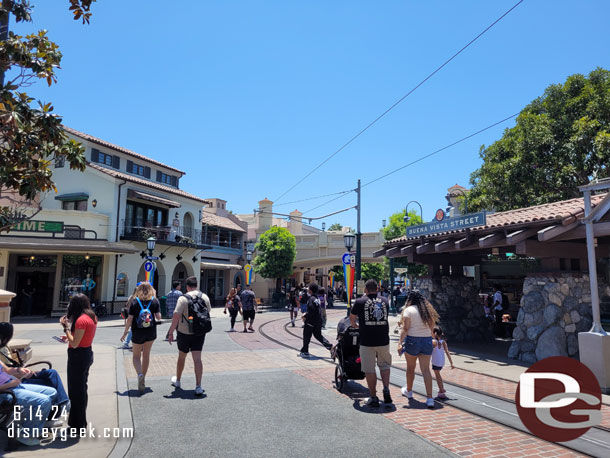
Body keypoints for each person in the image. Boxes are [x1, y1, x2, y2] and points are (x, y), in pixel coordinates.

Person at [0, 322, 69, 409]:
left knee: (51, 374)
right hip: (14, 383)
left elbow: (7, 370)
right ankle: (60, 406)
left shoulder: (4, 348)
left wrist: (20, 370)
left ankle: (62, 403)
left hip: (16, 379)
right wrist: (15, 380)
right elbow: (9, 373)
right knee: (50, 383)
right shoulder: (3, 349)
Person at [350, 279, 392, 407]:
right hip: (383, 339)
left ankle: (373, 397)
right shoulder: (385, 301)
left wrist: (356, 326)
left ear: (366, 290)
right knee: (384, 365)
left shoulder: (360, 301)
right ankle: (386, 389)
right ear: (377, 289)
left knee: (369, 369)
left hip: (367, 340)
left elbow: (352, 318)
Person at [167, 276, 211, 396]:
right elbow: (208, 312)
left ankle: (178, 381)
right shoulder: (205, 297)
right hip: (199, 333)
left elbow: (176, 315)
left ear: (187, 286)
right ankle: (198, 386)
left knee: (182, 357)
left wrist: (171, 332)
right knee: (197, 359)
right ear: (196, 285)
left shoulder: (183, 298)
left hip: (184, 332)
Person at [60, 293, 97, 430]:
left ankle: (77, 424)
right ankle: (80, 422)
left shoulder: (81, 320)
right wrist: (68, 336)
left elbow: (75, 343)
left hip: (78, 355)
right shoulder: (92, 317)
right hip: (86, 352)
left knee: (75, 391)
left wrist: (66, 328)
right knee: (81, 388)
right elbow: (81, 338)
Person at [397, 290, 439, 409]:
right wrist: (433, 339)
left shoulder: (408, 310)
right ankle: (430, 398)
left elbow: (405, 329)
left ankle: (409, 391)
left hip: (412, 340)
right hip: (426, 341)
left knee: (411, 368)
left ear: (409, 299)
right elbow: (432, 329)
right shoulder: (428, 311)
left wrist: (399, 343)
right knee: (426, 370)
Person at [0, 361, 57, 446]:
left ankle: (35, 425)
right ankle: (25, 435)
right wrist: (9, 384)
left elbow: (7, 370)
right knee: (44, 401)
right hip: (5, 393)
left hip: (14, 386)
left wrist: (19, 370)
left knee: (52, 392)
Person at [120, 282, 161, 393]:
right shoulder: (155, 301)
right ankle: (143, 379)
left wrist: (125, 332)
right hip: (150, 332)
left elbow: (130, 319)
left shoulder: (134, 302)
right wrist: (155, 299)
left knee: (136, 356)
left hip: (137, 332)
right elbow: (158, 317)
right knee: (146, 355)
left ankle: (139, 374)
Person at [299, 283, 332, 358]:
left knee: (306, 335)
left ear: (310, 290)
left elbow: (311, 310)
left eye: (308, 288)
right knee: (318, 335)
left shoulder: (311, 299)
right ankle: (330, 346)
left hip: (311, 321)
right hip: (318, 321)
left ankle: (305, 351)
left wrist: (305, 316)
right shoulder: (316, 298)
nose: (307, 289)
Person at [431, 326, 454, 399]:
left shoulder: (433, 342)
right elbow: (447, 352)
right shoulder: (443, 342)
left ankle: (441, 390)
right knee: (438, 375)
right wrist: (451, 363)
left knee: (437, 376)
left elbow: (428, 351)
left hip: (435, 361)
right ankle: (441, 389)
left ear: (434, 333)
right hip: (441, 362)